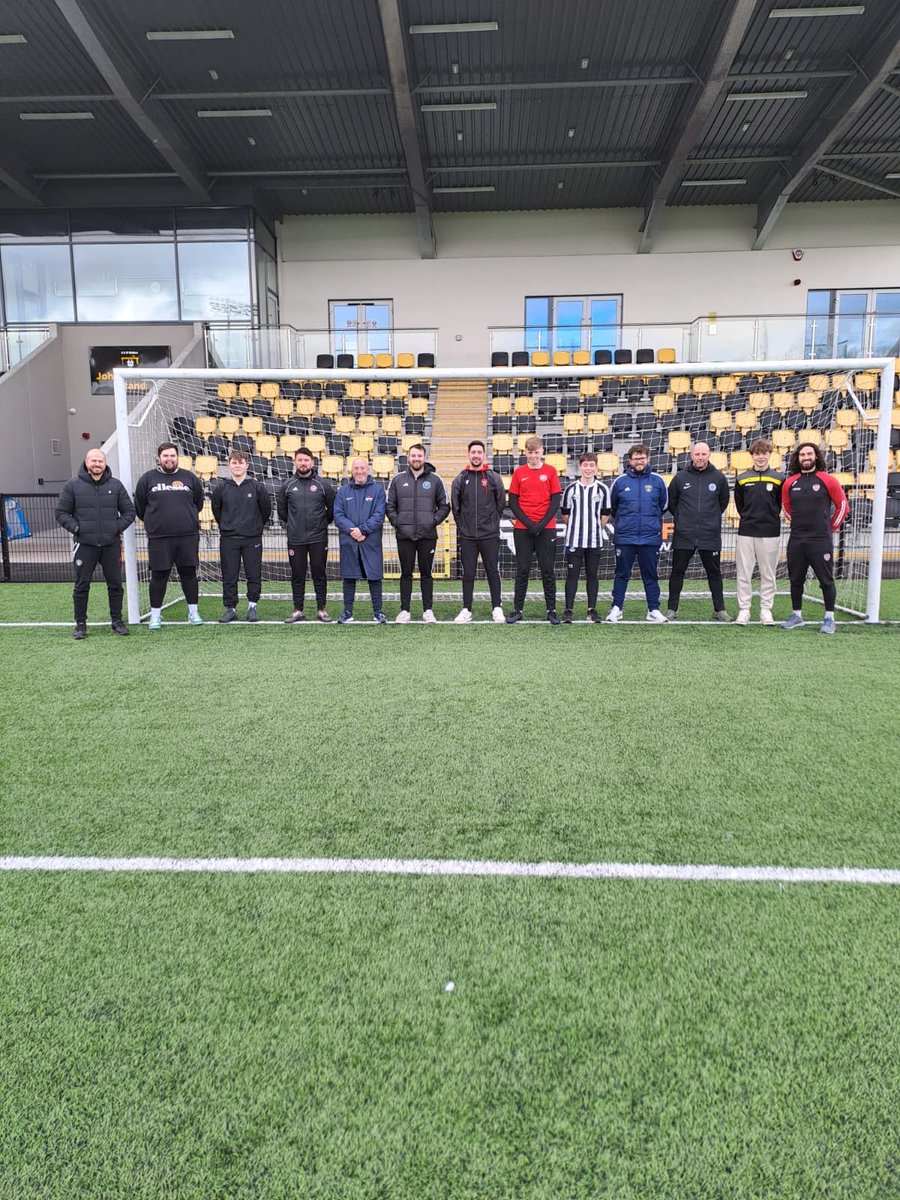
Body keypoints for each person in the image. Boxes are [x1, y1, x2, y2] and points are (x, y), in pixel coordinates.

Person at [54, 447, 135, 639]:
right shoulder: (73, 485)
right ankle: (80, 625)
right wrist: (77, 528)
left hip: (111, 545)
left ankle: (117, 621)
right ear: (86, 462)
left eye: (100, 461)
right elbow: (61, 513)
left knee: (115, 584)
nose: (97, 464)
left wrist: (115, 528)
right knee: (82, 585)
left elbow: (129, 512)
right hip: (85, 545)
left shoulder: (115, 486)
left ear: (105, 463)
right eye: (93, 461)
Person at [133, 442, 205, 630]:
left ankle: (193, 612)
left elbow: (198, 504)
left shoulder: (190, 478)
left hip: (187, 537)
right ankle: (155, 615)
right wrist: (155, 523)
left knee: (189, 574)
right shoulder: (147, 479)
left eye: (172, 455)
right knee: (159, 576)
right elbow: (140, 507)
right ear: (159, 458)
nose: (169, 459)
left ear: (177, 457)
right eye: (165, 456)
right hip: (160, 538)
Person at [781, 441, 849, 635]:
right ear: (798, 459)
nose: (806, 457)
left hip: (820, 540)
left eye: (809, 454)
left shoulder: (828, 480)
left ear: (816, 457)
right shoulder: (790, 482)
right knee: (795, 579)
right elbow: (787, 508)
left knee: (826, 580)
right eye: (802, 455)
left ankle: (829, 618)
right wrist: (799, 523)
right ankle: (796, 615)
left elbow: (843, 505)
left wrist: (831, 527)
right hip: (797, 539)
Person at [665, 441, 731, 622]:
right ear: (691, 455)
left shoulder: (719, 478)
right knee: (677, 572)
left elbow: (723, 503)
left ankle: (720, 610)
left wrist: (709, 519)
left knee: (714, 573)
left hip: (709, 535)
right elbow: (672, 504)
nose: (700, 457)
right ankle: (672, 609)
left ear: (709, 455)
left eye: (703, 454)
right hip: (684, 535)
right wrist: (684, 519)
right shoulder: (680, 478)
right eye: (697, 454)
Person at [386, 442, 450, 623]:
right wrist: (398, 522)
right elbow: (389, 506)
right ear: (408, 458)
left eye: (419, 456)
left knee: (426, 573)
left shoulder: (435, 480)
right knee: (406, 573)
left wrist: (433, 521)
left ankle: (428, 610)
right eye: (413, 456)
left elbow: (445, 505)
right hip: (404, 535)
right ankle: (404, 610)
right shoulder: (397, 480)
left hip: (427, 535)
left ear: (424, 458)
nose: (416, 459)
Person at [605, 444, 669, 623]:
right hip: (625, 537)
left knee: (650, 575)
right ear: (629, 460)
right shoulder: (620, 481)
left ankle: (653, 609)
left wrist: (650, 522)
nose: (639, 462)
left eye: (642, 458)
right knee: (621, 574)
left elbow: (663, 506)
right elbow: (613, 507)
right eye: (636, 459)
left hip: (649, 538)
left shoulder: (657, 480)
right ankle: (616, 608)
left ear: (647, 459)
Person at [506, 435, 562, 624]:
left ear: (542, 452)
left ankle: (551, 610)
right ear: (525, 453)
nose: (533, 456)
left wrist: (542, 524)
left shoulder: (551, 471)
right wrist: (529, 524)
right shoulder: (519, 472)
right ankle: (517, 609)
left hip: (546, 529)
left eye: (536, 453)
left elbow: (555, 500)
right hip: (523, 529)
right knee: (522, 569)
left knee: (547, 570)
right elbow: (513, 501)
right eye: (530, 453)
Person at [210, 449, 271, 623]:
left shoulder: (257, 487)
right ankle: (230, 608)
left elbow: (266, 510)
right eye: (234, 462)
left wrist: (255, 526)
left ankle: (252, 606)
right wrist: (228, 526)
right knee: (229, 575)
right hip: (229, 539)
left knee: (253, 574)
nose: (237, 466)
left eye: (241, 462)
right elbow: (217, 510)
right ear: (229, 465)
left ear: (247, 465)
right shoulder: (221, 487)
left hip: (252, 539)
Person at [276, 446, 336, 623]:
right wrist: (295, 525)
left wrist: (321, 524)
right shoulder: (287, 486)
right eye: (300, 460)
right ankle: (298, 609)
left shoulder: (322, 485)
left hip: (318, 537)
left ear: (312, 462)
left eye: (306, 460)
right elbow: (282, 511)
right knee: (297, 574)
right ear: (295, 462)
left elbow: (331, 510)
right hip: (296, 538)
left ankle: (321, 609)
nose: (303, 463)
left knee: (319, 573)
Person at [450, 440, 506, 624]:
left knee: (492, 571)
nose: (476, 455)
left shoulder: (493, 478)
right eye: (473, 452)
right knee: (468, 573)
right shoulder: (460, 479)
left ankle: (497, 607)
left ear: (484, 455)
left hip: (489, 534)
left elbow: (500, 504)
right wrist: (464, 527)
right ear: (468, 454)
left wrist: (490, 524)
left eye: (479, 452)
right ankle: (466, 609)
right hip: (468, 536)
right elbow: (456, 507)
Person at [733, 438, 783, 625]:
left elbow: (778, 504)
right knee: (744, 572)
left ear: (769, 454)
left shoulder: (779, 478)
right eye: (757, 453)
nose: (760, 457)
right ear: (752, 455)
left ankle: (765, 610)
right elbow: (740, 505)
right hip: (746, 530)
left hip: (770, 531)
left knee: (768, 573)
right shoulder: (742, 478)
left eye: (764, 453)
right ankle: (744, 610)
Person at [333, 457, 387, 623]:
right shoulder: (343, 491)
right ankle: (348, 612)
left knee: (374, 577)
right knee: (349, 577)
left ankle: (378, 612)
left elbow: (379, 515)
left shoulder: (378, 491)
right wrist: (353, 531)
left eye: (362, 468)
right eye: (356, 468)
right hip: (349, 541)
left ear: (368, 469)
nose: (360, 471)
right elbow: (338, 515)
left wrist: (363, 530)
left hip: (370, 540)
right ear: (352, 470)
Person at [560, 451, 611, 623]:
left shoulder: (603, 489)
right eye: (585, 465)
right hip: (574, 539)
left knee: (592, 574)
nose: (588, 468)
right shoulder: (571, 489)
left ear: (596, 467)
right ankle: (568, 610)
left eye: (591, 465)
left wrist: (595, 528)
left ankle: (592, 609)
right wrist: (576, 527)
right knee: (572, 575)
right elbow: (565, 514)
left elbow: (605, 514)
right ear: (580, 467)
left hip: (595, 540)